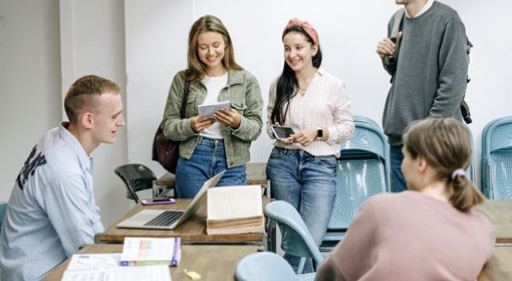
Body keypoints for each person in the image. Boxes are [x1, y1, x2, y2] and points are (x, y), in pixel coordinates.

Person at [316, 117, 495, 281]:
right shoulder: (483, 229)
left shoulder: (382, 208)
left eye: (405, 156)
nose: (402, 165)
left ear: (420, 163)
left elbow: (332, 273)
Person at [0, 75, 126, 280]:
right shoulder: (63, 171)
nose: (121, 122)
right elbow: (83, 250)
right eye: (114, 116)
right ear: (88, 120)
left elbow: (89, 217)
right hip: (38, 273)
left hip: (37, 264)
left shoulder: (57, 137)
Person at [376, 0, 470, 192]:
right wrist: (389, 59)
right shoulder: (395, 20)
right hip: (400, 141)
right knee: (404, 222)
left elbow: (453, 85)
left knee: (439, 221)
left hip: (435, 143)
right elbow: (403, 75)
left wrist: (426, 134)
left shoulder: (447, 20)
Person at [266, 17, 354, 273]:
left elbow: (348, 128)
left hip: (320, 166)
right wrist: (279, 134)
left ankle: (288, 276)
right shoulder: (278, 85)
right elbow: (269, 126)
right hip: (283, 164)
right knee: (293, 240)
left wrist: (318, 132)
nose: (292, 54)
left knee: (308, 240)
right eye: (286, 48)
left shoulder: (333, 85)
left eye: (298, 47)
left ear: (313, 49)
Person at [162, 15, 263, 198]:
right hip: (192, 159)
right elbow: (168, 127)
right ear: (195, 49)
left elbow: (256, 128)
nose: (210, 52)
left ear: (226, 43)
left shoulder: (246, 80)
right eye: (203, 47)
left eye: (216, 45)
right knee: (191, 222)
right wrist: (190, 125)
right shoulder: (183, 80)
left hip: (232, 162)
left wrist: (237, 122)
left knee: (227, 222)